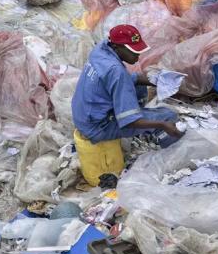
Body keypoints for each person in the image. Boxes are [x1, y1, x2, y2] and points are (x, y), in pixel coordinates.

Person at [72, 25, 181, 163]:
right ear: (117, 47)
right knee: (167, 116)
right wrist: (162, 124)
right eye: (133, 52)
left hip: (84, 116)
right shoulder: (117, 72)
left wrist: (158, 80)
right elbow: (131, 122)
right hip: (98, 127)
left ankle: (134, 112)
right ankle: (174, 156)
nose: (138, 55)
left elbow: (120, 78)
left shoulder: (101, 50)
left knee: (138, 84)